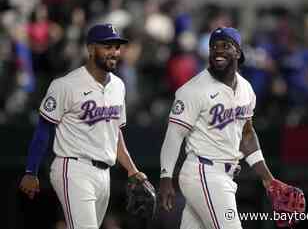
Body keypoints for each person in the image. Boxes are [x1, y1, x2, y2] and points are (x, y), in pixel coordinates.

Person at [19, 23, 152, 229]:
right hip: (73, 168)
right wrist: (31, 171)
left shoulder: (119, 85)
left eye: (117, 47)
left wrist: (132, 170)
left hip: (104, 172)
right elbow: (44, 129)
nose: (114, 52)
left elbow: (114, 132)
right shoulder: (66, 85)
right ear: (90, 49)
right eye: (107, 46)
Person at [159, 27, 276, 229]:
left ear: (238, 52)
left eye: (226, 46)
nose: (218, 51)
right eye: (214, 46)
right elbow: (174, 135)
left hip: (225, 174)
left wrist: (267, 177)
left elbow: (246, 135)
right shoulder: (193, 89)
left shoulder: (246, 89)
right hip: (204, 173)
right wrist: (165, 177)